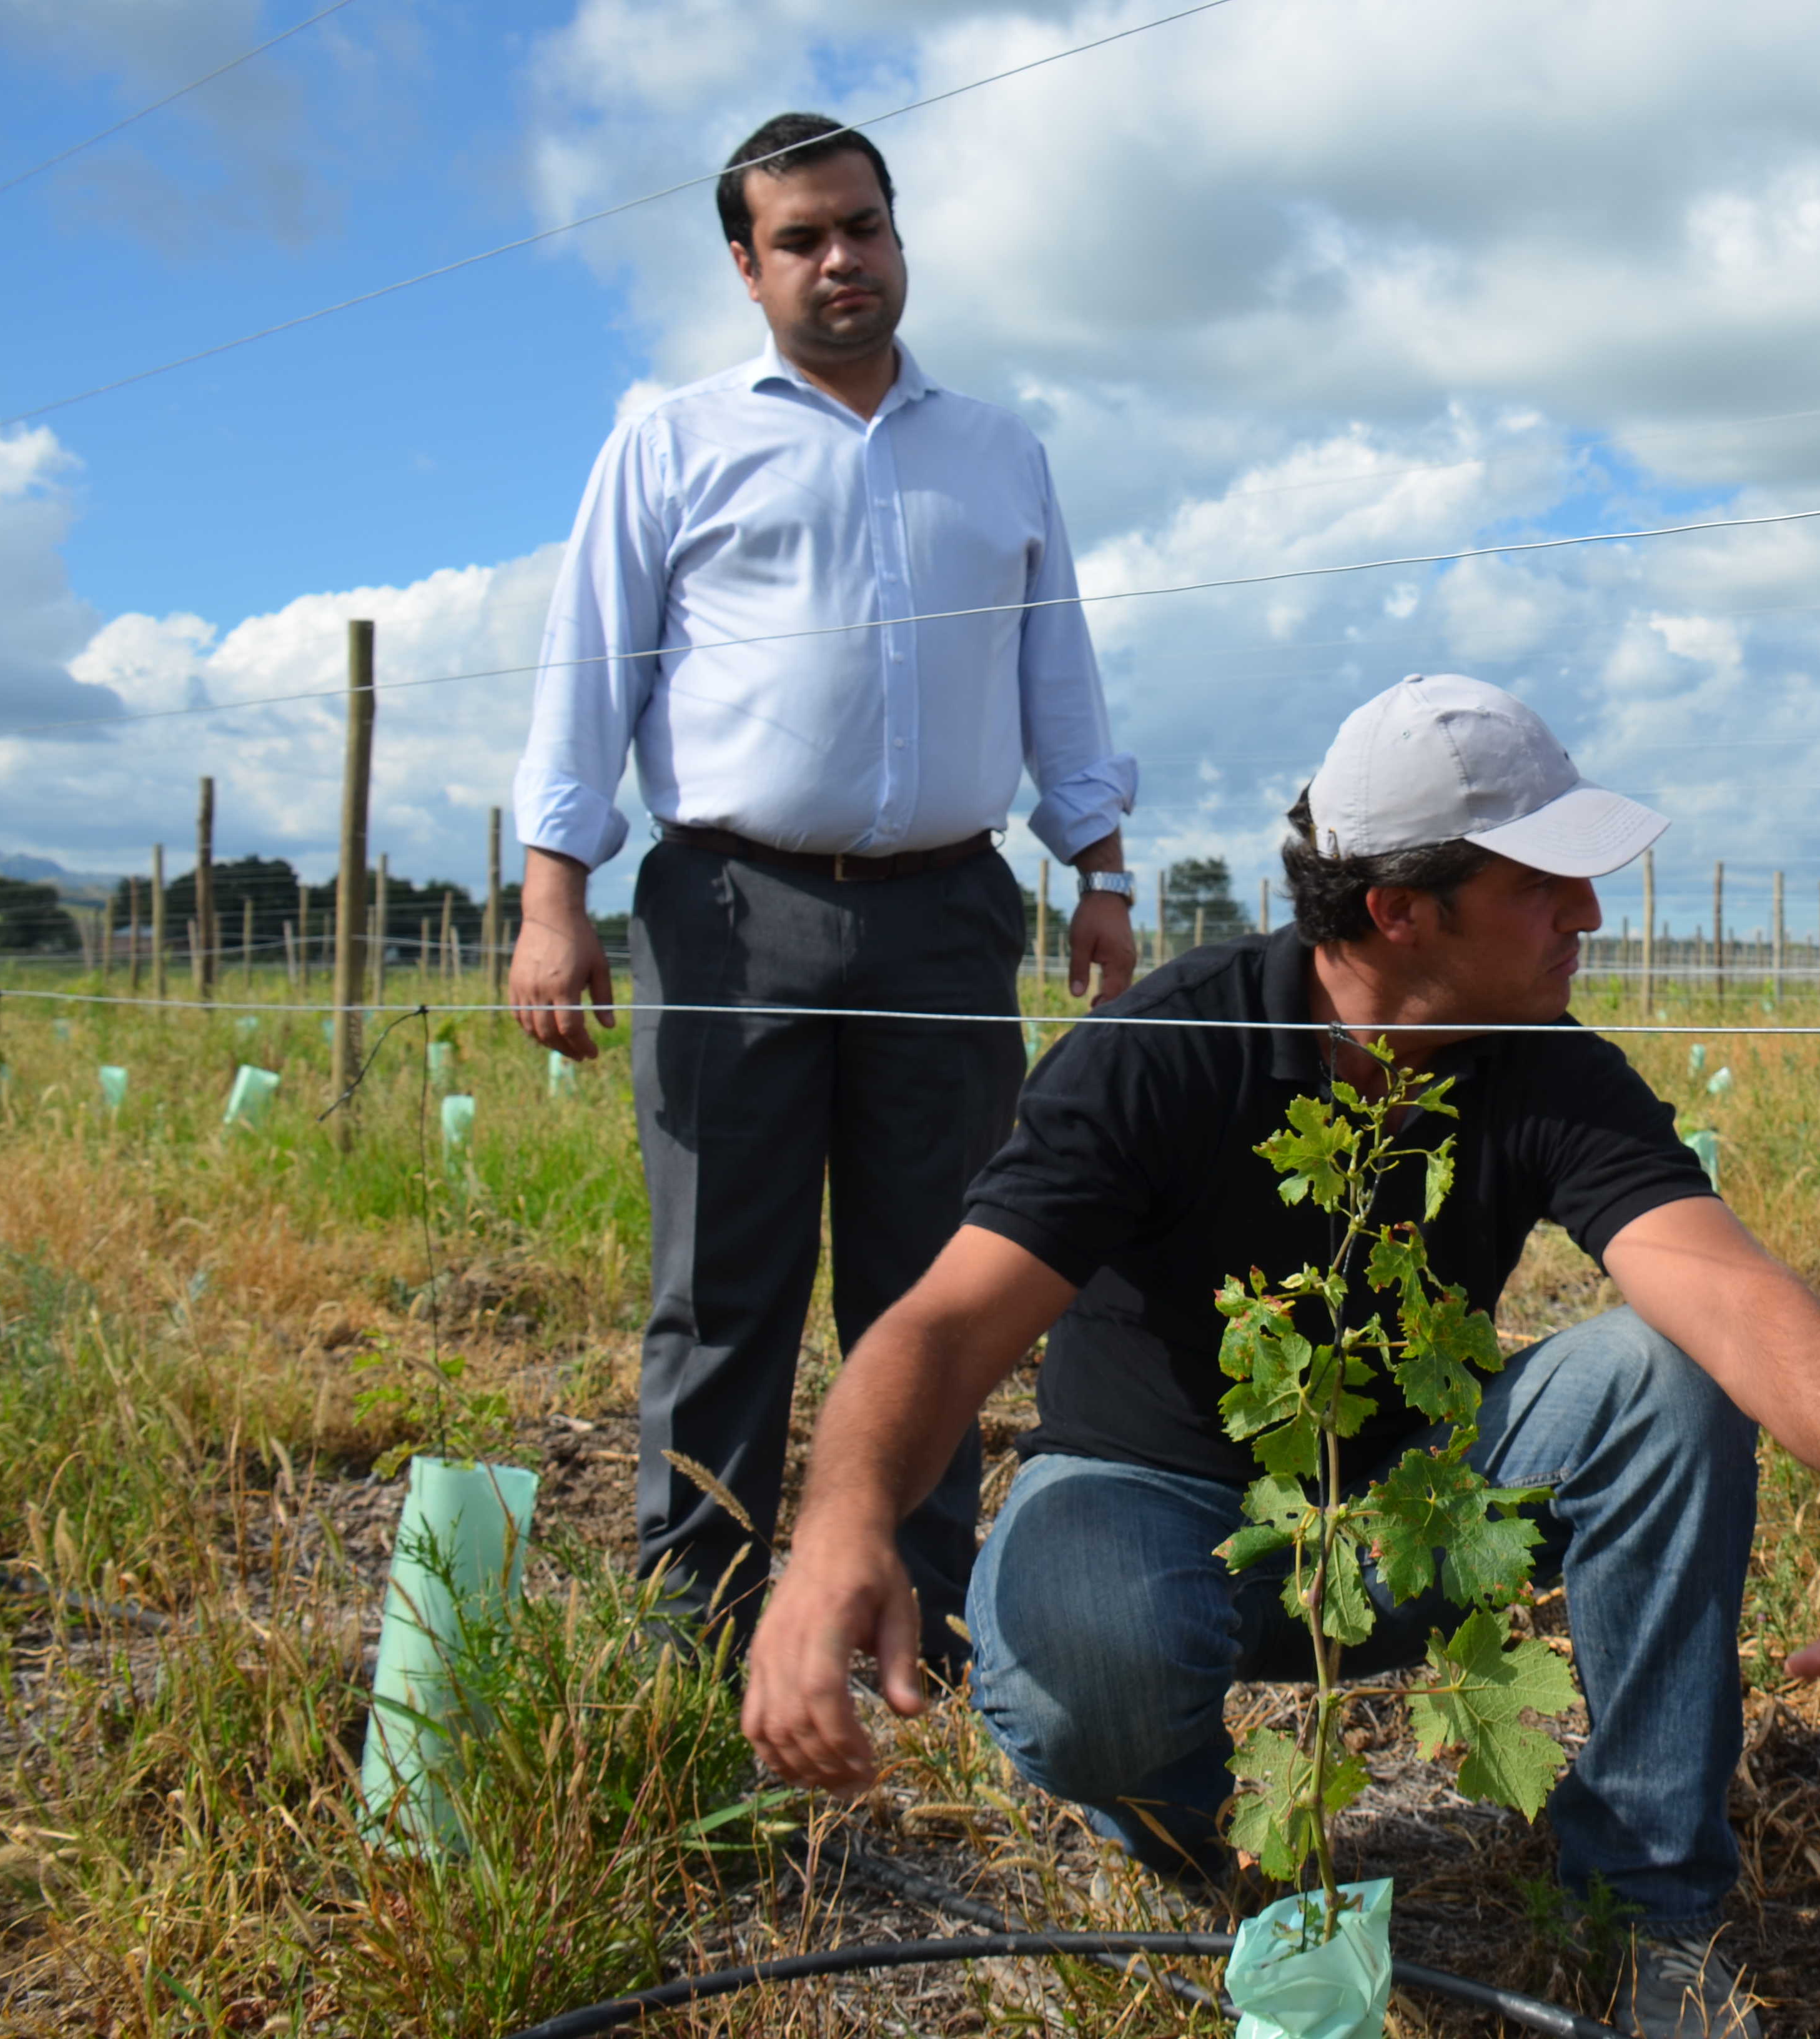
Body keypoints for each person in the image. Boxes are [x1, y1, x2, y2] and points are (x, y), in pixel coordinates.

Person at [743, 675, 1820, 2038]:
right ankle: (1202, 1856)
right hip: (1152, 1501)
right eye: (1545, 885)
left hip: (1419, 1512)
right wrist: (838, 1526)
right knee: (1084, 1657)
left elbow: (1725, 1292)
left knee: (1661, 1374)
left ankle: (1653, 1907)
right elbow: (944, 1324)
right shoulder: (1161, 1054)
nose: (1588, 916)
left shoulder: (1541, 1064)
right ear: (1399, 909)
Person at [509, 112, 1140, 1662]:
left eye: (862, 226)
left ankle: (910, 1601)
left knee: (934, 1281)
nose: (840, 259)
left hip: (947, 910)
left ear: (897, 234)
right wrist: (552, 896)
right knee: (724, 1280)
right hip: (732, 909)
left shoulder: (1000, 451)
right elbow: (590, 672)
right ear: (746, 265)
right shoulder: (671, 443)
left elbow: (1056, 667)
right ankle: (700, 1614)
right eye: (800, 238)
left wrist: (1099, 867)